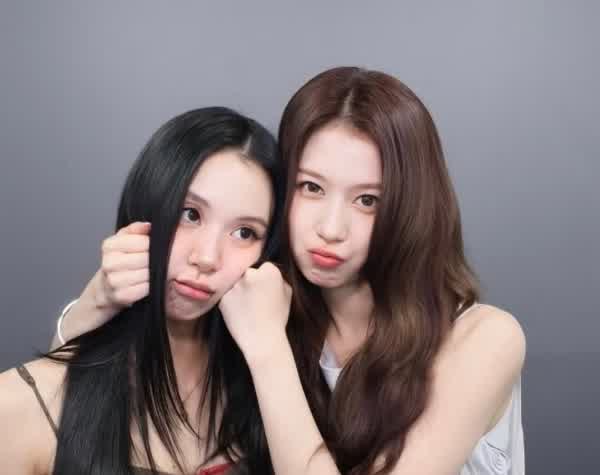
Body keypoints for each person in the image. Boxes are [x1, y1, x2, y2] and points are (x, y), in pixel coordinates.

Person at [51, 67, 526, 475]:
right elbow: (73, 397)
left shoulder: (483, 340)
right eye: (311, 187)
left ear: (410, 208)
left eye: (368, 200)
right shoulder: (262, 300)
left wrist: (268, 350)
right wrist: (98, 300)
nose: (331, 229)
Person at [0, 107, 285, 474]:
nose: (207, 258)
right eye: (190, 214)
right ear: (147, 204)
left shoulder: (277, 393)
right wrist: (91, 307)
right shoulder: (22, 403)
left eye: (245, 233)